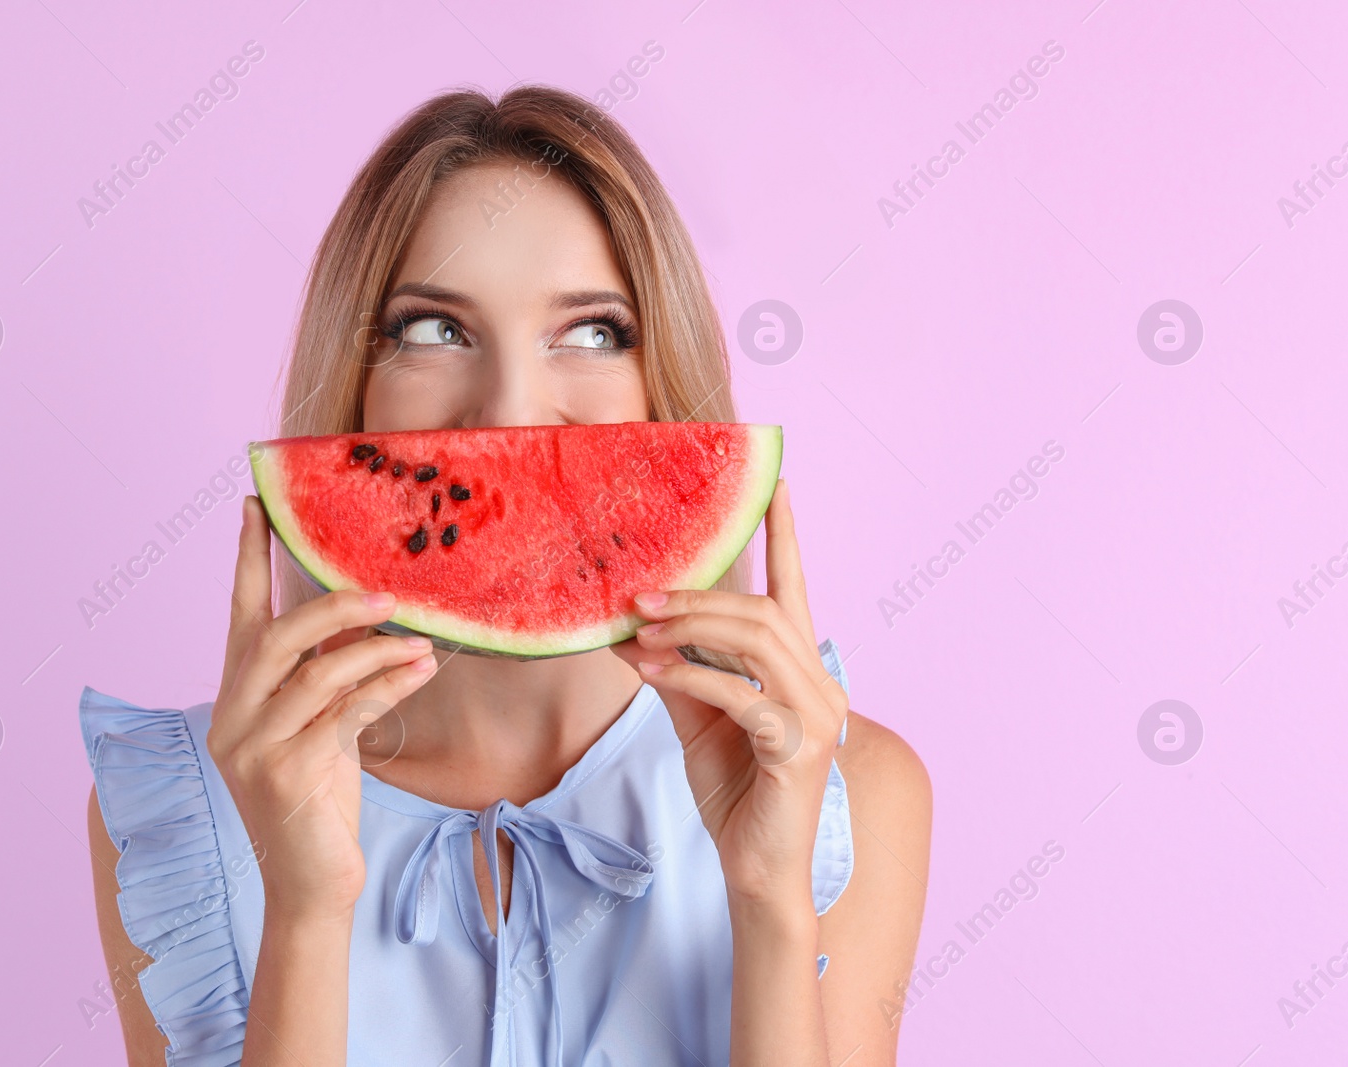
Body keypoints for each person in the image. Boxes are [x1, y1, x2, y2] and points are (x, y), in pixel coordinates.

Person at [82, 85, 931, 1067]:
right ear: (352, 384)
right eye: (434, 330)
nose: (510, 409)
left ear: (667, 388)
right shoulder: (189, 809)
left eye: (595, 331)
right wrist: (306, 908)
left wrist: (772, 898)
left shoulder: (845, 787)